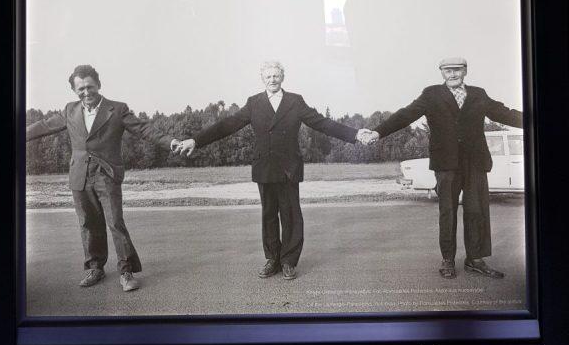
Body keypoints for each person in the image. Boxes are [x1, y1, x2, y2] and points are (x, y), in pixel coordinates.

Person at [174, 61, 373, 280]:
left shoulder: (295, 101)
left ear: (282, 77)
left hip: (289, 167)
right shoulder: (254, 103)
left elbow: (322, 123)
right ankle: (273, 259)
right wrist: (196, 140)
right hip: (264, 167)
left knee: (290, 215)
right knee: (268, 215)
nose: (272, 80)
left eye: (276, 76)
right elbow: (227, 125)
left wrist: (354, 134)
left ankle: (288, 261)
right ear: (262, 79)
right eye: (268, 76)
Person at [362, 57, 523, 280]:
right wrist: (377, 132)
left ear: (465, 71)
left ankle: (475, 259)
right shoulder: (430, 95)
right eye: (448, 70)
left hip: (475, 162)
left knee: (477, 210)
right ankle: (448, 259)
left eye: (457, 70)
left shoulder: (479, 94)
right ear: (441, 73)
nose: (453, 74)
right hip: (446, 164)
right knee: (447, 211)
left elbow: (504, 113)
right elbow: (405, 115)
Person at [26, 65, 174, 291]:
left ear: (99, 85)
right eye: (81, 88)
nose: (86, 92)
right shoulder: (69, 110)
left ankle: (126, 271)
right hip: (79, 175)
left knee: (115, 222)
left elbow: (144, 130)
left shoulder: (117, 109)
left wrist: (171, 142)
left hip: (107, 173)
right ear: (75, 90)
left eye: (90, 86)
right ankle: (95, 268)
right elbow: (44, 126)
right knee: (87, 223)